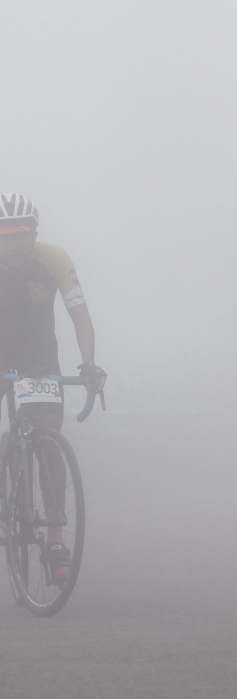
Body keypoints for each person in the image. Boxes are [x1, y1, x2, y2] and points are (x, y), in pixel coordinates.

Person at [0, 194, 106, 583]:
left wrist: (89, 363)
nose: (13, 245)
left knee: (48, 438)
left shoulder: (54, 259)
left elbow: (79, 314)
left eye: (20, 236)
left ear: (34, 235)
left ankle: (56, 537)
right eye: (5, 237)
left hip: (40, 355)